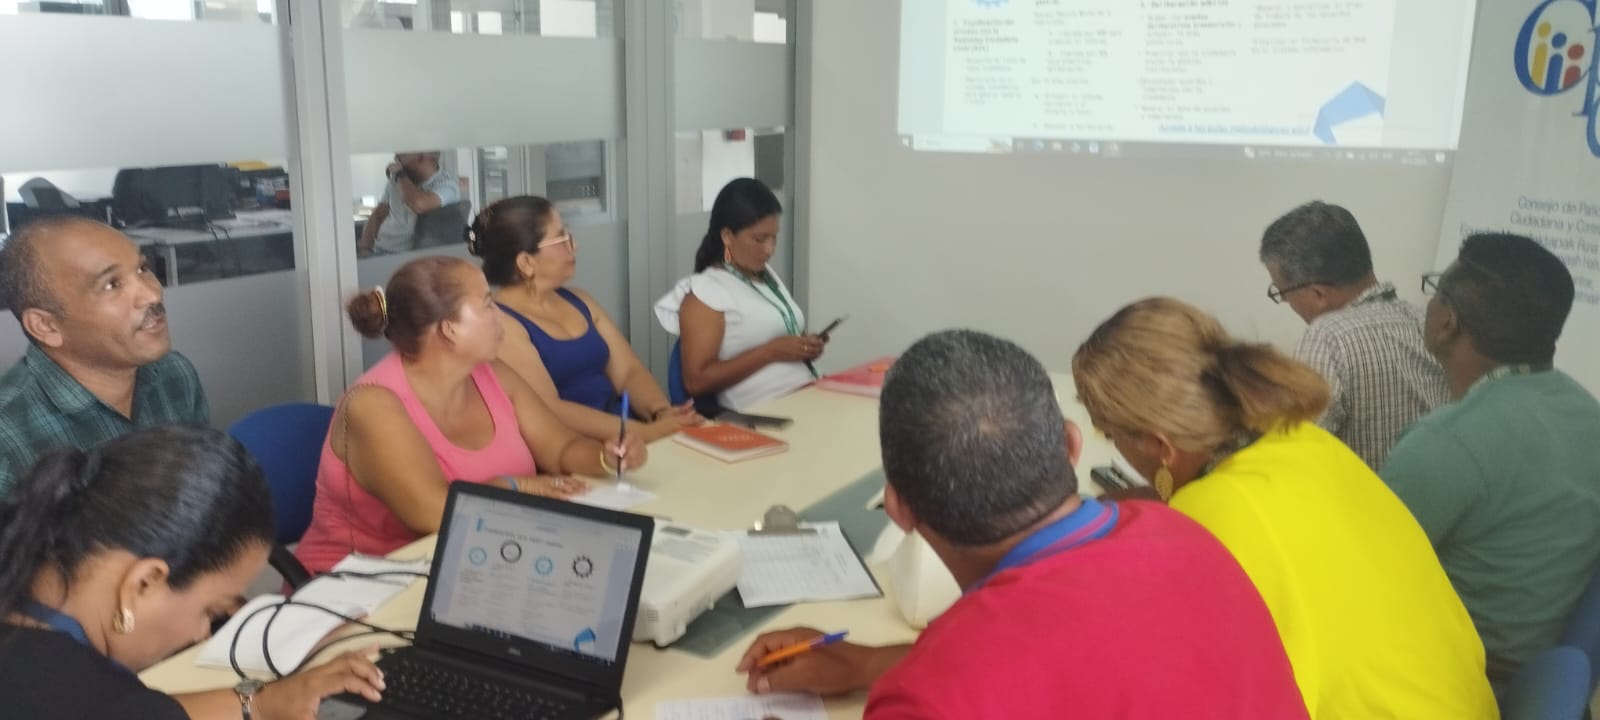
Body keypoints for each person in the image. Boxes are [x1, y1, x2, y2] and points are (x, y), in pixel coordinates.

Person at [737, 330, 1309, 718]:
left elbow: (1008, 669)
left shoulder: (931, 700)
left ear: (898, 509)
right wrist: (866, 663)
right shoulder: (1188, 537)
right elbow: (1069, 666)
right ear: (1072, 446)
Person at [1071, 297, 1497, 718]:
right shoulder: (1302, 440)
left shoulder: (1207, 526)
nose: (1114, 446)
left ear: (1160, 445)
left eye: (1110, 434)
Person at [0, 424, 385, 720]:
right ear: (144, 583)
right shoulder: (83, 699)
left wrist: (262, 702)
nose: (201, 634)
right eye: (210, 612)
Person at [295, 256, 646, 575]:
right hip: (361, 586)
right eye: (488, 304)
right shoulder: (372, 405)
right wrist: (518, 485)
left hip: (472, 563)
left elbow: (561, 447)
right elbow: (435, 513)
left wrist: (607, 456)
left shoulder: (490, 373)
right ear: (449, 328)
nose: (501, 316)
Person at [1381, 233, 1600, 682]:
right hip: (1537, 676)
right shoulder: (1585, 411)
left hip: (1455, 682)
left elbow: (1353, 575)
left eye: (1435, 289)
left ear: (1448, 322)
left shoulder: (1445, 443)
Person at [0, 217, 207, 496]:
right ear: (46, 326)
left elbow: (203, 492)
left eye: (143, 268)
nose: (152, 294)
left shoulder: (175, 374)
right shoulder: (8, 437)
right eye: (112, 284)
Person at [470, 195, 701, 443]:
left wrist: (662, 413)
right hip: (581, 449)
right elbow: (550, 408)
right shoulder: (502, 323)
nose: (575, 246)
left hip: (631, 434)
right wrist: (642, 432)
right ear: (526, 262)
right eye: (562, 239)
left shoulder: (580, 300)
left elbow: (628, 372)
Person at [1258, 202, 1450, 469]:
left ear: (1318, 294)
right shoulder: (1424, 321)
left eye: (1281, 293)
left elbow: (1293, 452)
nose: (1286, 303)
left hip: (1361, 495)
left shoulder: (1327, 338)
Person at [654, 177, 823, 412]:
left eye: (774, 237)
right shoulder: (706, 292)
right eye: (759, 239)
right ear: (727, 236)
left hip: (807, 394)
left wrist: (803, 346)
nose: (770, 249)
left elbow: (778, 332)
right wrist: (770, 352)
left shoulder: (765, 275)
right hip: (766, 412)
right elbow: (696, 382)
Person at [356, 151, 461, 257]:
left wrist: (400, 174)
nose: (395, 158)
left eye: (401, 155)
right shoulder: (396, 181)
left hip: (411, 257)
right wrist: (365, 247)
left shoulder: (447, 186)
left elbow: (418, 204)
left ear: (421, 157)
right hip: (379, 251)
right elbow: (378, 214)